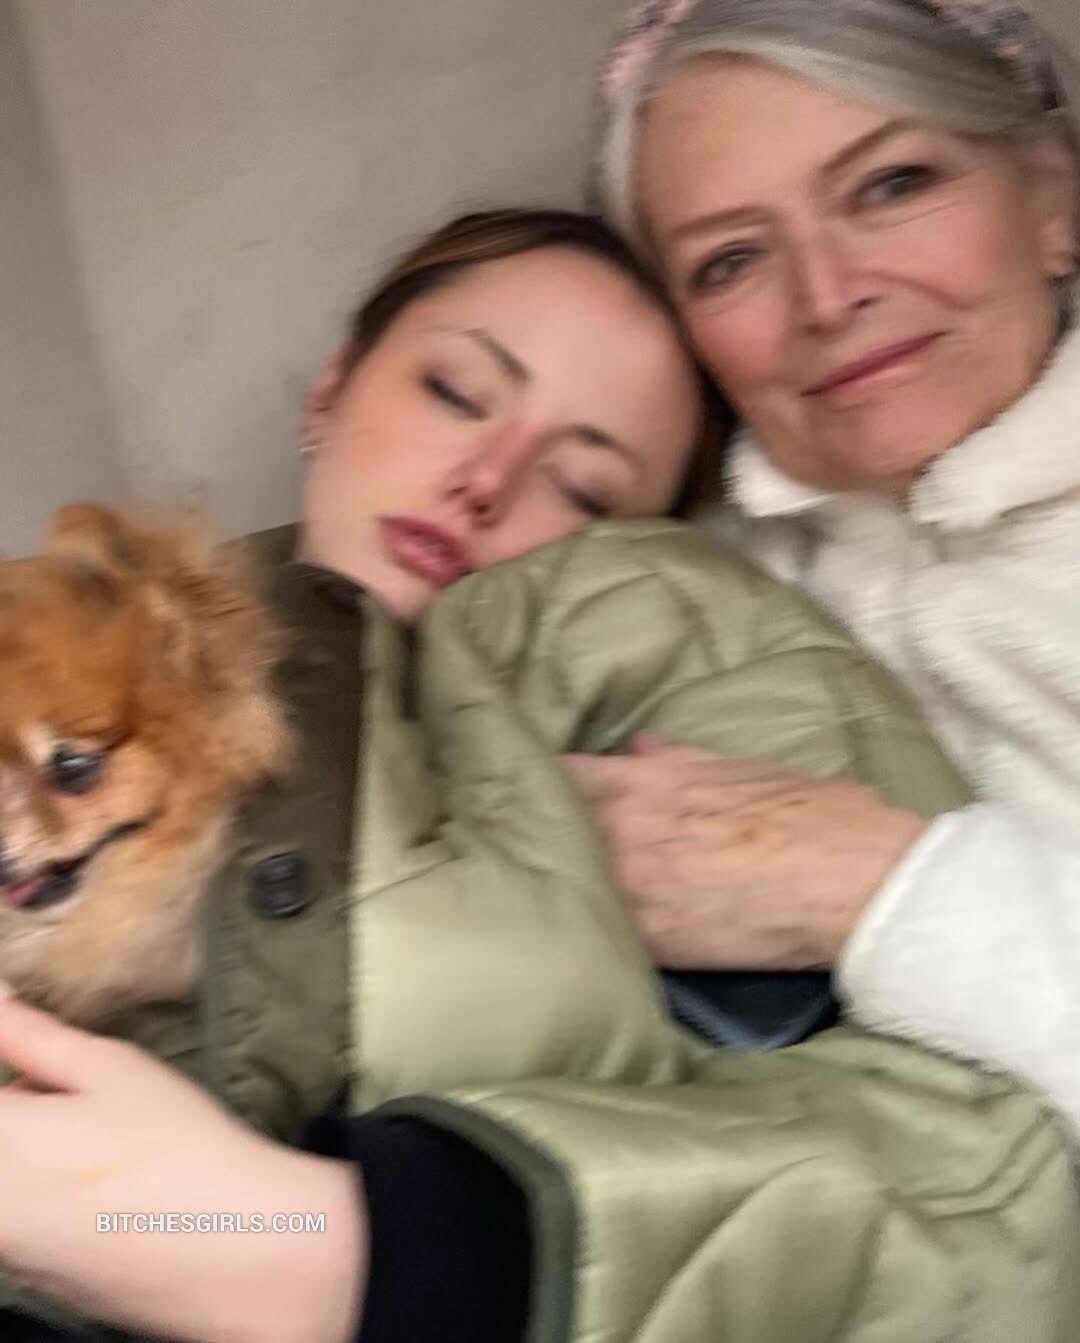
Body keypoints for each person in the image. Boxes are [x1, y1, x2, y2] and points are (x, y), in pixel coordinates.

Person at [2, 200, 1075, 1343]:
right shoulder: (72, 632)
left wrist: (320, 1243)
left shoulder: (656, 620)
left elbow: (966, 1162)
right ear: (331, 393)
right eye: (456, 392)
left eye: (584, 486)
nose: (487, 477)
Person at [569, 0, 1080, 1144]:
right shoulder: (672, 596)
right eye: (731, 260)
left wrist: (884, 892)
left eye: (890, 185)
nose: (827, 294)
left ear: (1055, 196)